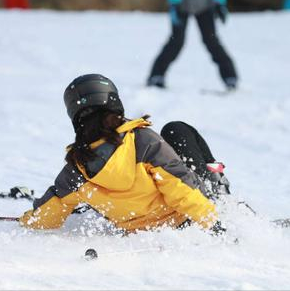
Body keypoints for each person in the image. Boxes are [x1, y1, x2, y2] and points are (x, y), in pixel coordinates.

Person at [19, 74, 231, 233]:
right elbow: (180, 187)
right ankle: (216, 183)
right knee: (176, 130)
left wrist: (28, 219)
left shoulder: (76, 169)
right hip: (187, 218)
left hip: (140, 231)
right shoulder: (143, 142)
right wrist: (214, 224)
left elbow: (46, 218)